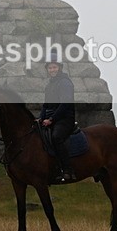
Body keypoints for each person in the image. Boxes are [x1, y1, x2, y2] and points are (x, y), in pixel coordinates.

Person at [39, 51, 76, 183]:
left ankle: (67, 170)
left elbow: (65, 104)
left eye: (54, 67)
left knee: (56, 137)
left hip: (65, 119)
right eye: (50, 68)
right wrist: (40, 118)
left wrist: (51, 119)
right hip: (51, 119)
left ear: (59, 68)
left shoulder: (65, 83)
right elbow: (45, 105)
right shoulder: (49, 85)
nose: (52, 70)